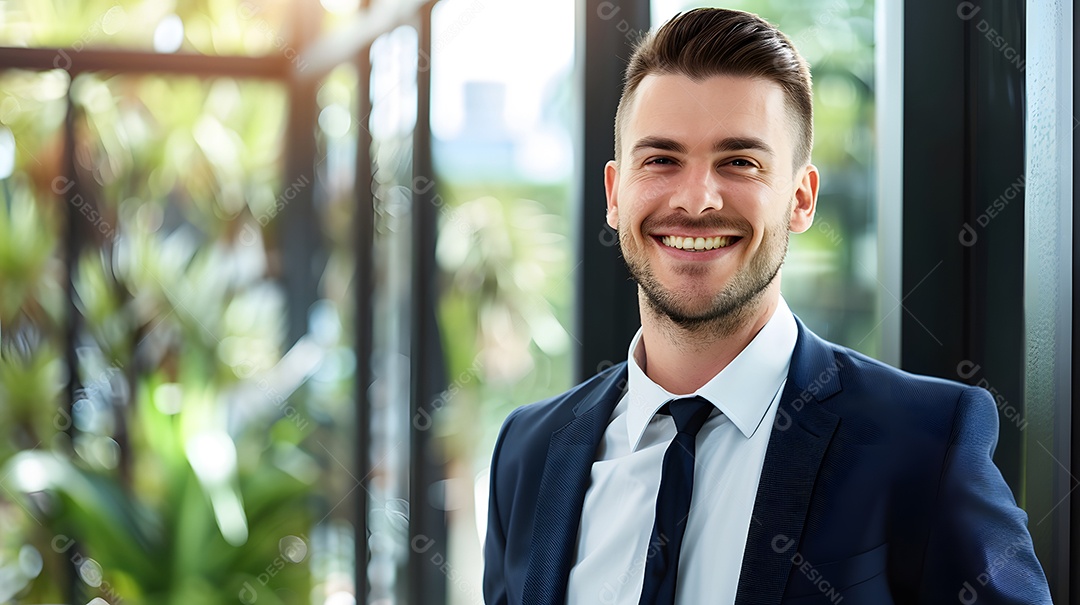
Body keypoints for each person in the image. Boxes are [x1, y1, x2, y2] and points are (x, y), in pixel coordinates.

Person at [482, 7, 1052, 605]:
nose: (697, 200)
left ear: (801, 199)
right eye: (661, 160)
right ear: (613, 196)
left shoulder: (925, 444)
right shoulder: (528, 451)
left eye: (740, 162)